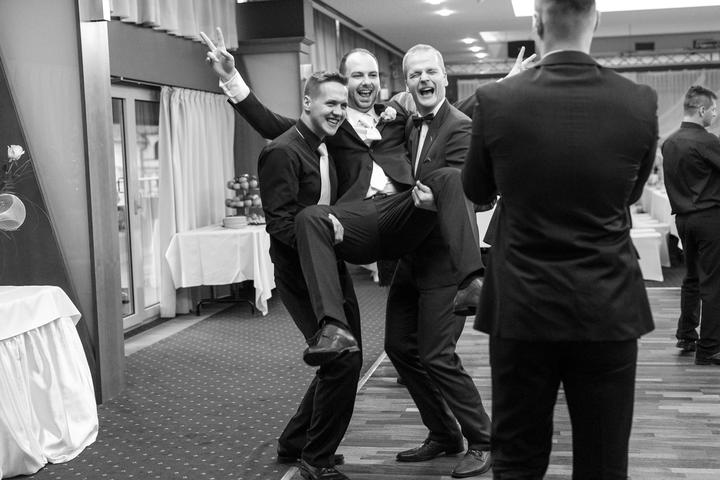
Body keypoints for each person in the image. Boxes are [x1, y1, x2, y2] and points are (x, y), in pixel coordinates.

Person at [201, 29, 495, 478]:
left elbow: (449, 113)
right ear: (342, 83)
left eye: (372, 75)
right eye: (356, 75)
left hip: (408, 219)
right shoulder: (333, 125)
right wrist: (232, 80)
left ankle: (473, 283)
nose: (366, 82)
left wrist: (501, 87)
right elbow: (276, 125)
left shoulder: (397, 118)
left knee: (447, 182)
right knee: (317, 228)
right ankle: (335, 339)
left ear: (383, 83)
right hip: (362, 221)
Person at [462, 0, 658, 478]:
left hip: (521, 306)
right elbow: (631, 194)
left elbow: (477, 190)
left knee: (518, 461)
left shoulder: (496, 99)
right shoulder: (639, 100)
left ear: (536, 22)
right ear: (597, 20)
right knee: (604, 462)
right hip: (607, 304)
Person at [384, 44, 491, 478]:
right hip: (411, 257)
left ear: (445, 77)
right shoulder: (408, 124)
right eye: (415, 74)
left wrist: (437, 202)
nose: (424, 79)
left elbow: (470, 192)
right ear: (406, 84)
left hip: (446, 262)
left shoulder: (462, 126)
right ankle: (445, 433)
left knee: (437, 356)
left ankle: (483, 439)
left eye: (431, 71)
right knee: (398, 347)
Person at [252, 70, 357, 480]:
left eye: (343, 104)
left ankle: (294, 442)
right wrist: (322, 237)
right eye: (331, 103)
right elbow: (278, 224)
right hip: (301, 275)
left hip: (330, 267)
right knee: (342, 360)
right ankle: (316, 460)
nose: (339, 111)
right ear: (308, 102)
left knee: (345, 355)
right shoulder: (281, 151)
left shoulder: (324, 146)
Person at [662, 85, 720, 366]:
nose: (715, 115)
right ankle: (709, 348)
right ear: (701, 110)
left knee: (692, 278)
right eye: (714, 110)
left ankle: (686, 335)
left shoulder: (669, 142)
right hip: (710, 219)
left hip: (683, 220)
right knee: (714, 283)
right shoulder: (708, 141)